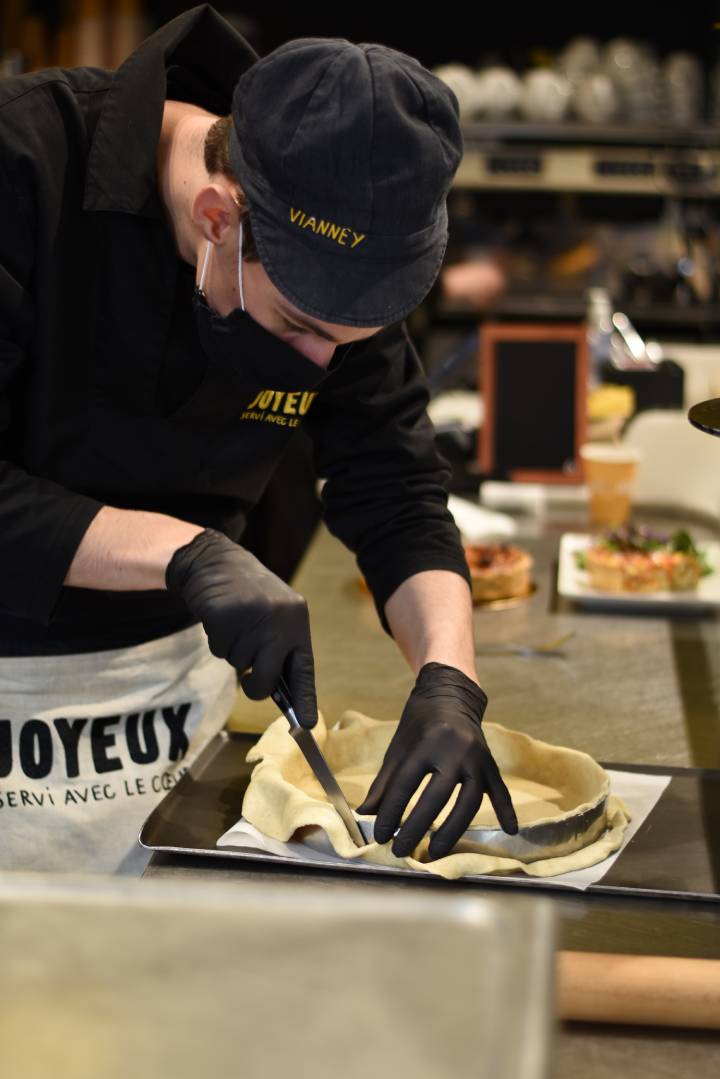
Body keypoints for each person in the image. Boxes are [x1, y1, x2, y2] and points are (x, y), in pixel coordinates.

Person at [0, 3, 517, 875]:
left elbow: (395, 487)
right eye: (298, 325)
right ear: (215, 214)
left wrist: (448, 678)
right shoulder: (23, 168)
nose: (321, 361)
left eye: (344, 342)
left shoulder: (333, 275)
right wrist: (185, 552)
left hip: (174, 709)